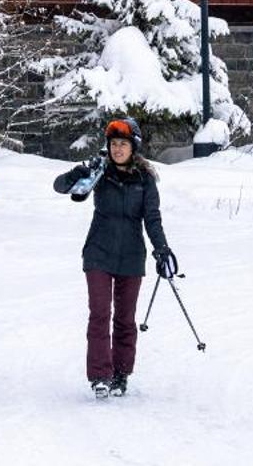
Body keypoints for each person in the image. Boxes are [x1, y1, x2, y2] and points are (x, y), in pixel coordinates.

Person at [52, 116, 177, 399]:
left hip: (132, 257)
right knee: (99, 315)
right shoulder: (100, 173)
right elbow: (60, 187)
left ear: (134, 147)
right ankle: (100, 376)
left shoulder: (145, 179)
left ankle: (121, 373)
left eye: (123, 144)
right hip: (99, 253)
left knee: (124, 318)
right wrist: (80, 172)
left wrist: (162, 250)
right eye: (113, 144)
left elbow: (152, 219)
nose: (117, 149)